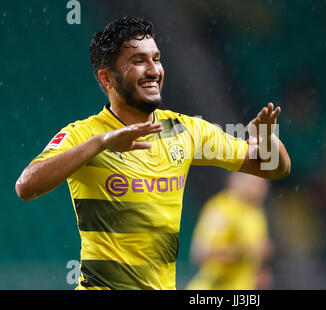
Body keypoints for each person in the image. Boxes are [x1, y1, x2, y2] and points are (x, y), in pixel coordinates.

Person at [15, 16, 290, 290]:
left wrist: (266, 138)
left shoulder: (185, 130)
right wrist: (100, 144)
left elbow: (273, 168)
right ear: (107, 78)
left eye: (156, 59)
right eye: (138, 61)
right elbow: (26, 186)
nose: (153, 70)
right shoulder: (85, 134)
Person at [186, 172, 273, 290]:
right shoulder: (220, 209)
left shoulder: (256, 213)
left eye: (263, 185)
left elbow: (255, 254)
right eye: (254, 184)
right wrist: (243, 251)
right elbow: (200, 252)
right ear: (237, 181)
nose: (261, 190)